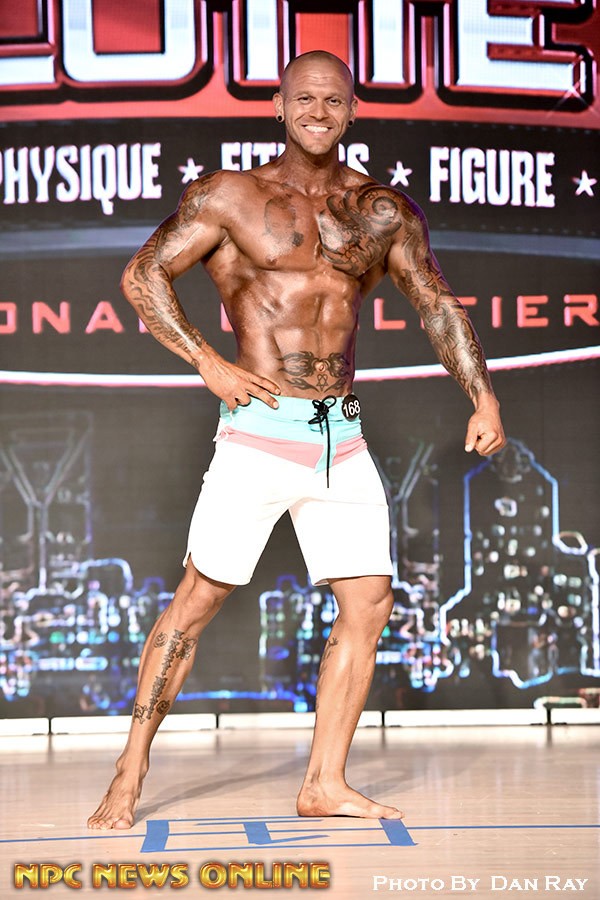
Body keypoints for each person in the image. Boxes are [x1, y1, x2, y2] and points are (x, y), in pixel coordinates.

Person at [88, 50, 505, 830]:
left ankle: (323, 783)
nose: (319, 111)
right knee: (198, 600)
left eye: (334, 100)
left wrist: (481, 395)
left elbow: (436, 302)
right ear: (279, 106)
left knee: (368, 604)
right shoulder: (230, 196)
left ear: (353, 111)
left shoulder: (382, 211)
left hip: (339, 438)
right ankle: (130, 766)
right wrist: (208, 362)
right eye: (304, 98)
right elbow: (144, 275)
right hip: (258, 433)